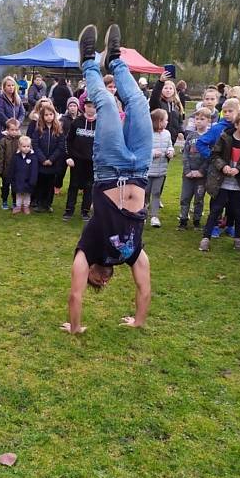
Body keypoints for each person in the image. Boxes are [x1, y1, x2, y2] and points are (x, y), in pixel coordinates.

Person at [65, 24, 151, 334]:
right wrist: (138, 321)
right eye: (104, 282)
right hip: (140, 169)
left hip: (110, 169)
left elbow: (75, 295)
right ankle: (115, 58)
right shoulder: (131, 253)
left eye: (95, 281)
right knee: (139, 103)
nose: (102, 280)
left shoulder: (86, 250)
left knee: (108, 106)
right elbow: (143, 287)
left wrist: (75, 328)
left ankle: (88, 62)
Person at [198, 111, 240, 252]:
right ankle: (206, 238)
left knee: (238, 212)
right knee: (215, 210)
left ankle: (238, 238)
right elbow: (215, 154)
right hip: (222, 181)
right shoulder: (225, 137)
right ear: (236, 125)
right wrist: (223, 166)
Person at [63, 100, 97, 222]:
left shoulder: (100, 124)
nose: (91, 109)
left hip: (92, 161)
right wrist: (69, 157)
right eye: (88, 106)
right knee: (74, 185)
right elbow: (68, 140)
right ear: (84, 107)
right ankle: (69, 210)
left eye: (93, 106)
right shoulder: (76, 122)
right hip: (77, 160)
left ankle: (85, 211)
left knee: (89, 187)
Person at [178, 106, 211, 230]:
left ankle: (196, 221)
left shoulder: (209, 137)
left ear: (208, 121)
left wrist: (201, 171)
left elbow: (209, 156)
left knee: (199, 198)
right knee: (185, 197)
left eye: (202, 119)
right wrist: (187, 171)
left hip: (201, 176)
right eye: (197, 119)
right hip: (188, 175)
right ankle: (183, 220)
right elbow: (185, 154)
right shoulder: (190, 136)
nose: (199, 121)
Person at [31, 100, 65, 212]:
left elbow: (60, 146)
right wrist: (43, 159)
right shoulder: (38, 129)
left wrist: (51, 159)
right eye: (46, 115)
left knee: (50, 184)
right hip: (41, 162)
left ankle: (48, 204)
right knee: (40, 183)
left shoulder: (58, 129)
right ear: (42, 116)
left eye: (51, 114)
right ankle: (39, 203)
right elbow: (35, 145)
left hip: (53, 163)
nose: (49, 117)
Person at [146, 108, 174, 228]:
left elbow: (170, 146)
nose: (167, 122)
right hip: (147, 171)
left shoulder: (167, 134)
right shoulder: (147, 134)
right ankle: (142, 214)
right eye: (165, 120)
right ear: (158, 121)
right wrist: (151, 153)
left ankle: (154, 216)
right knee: (145, 193)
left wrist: (170, 151)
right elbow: (141, 150)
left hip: (161, 171)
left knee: (156, 193)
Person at [148, 71, 184, 144]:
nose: (168, 90)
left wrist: (180, 131)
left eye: (170, 88)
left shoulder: (176, 105)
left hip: (171, 138)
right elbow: (154, 96)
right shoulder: (158, 103)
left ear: (174, 91)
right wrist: (160, 82)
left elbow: (180, 121)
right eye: (165, 88)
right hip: (157, 136)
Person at [0, 118, 23, 210]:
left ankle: (15, 202)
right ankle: (4, 201)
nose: (14, 132)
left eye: (16, 129)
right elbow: (0, 157)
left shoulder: (21, 140)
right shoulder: (3, 141)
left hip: (17, 169)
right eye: (12, 130)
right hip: (6, 170)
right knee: (5, 187)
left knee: (15, 187)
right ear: (7, 130)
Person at [0, 75, 26, 145]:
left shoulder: (17, 98)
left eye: (13, 85)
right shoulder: (0, 98)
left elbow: (22, 112)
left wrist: (18, 122)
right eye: (8, 85)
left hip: (16, 130)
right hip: (4, 131)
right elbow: (0, 114)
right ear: (4, 87)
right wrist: (10, 125)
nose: (11, 87)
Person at [12, 135, 38, 215]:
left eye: (28, 146)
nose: (26, 148)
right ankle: (18, 206)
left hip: (29, 180)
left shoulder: (33, 157)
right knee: (18, 194)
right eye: (24, 146)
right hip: (18, 180)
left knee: (27, 194)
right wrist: (12, 179)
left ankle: (26, 206)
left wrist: (32, 181)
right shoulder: (16, 156)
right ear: (19, 146)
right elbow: (12, 168)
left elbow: (34, 170)